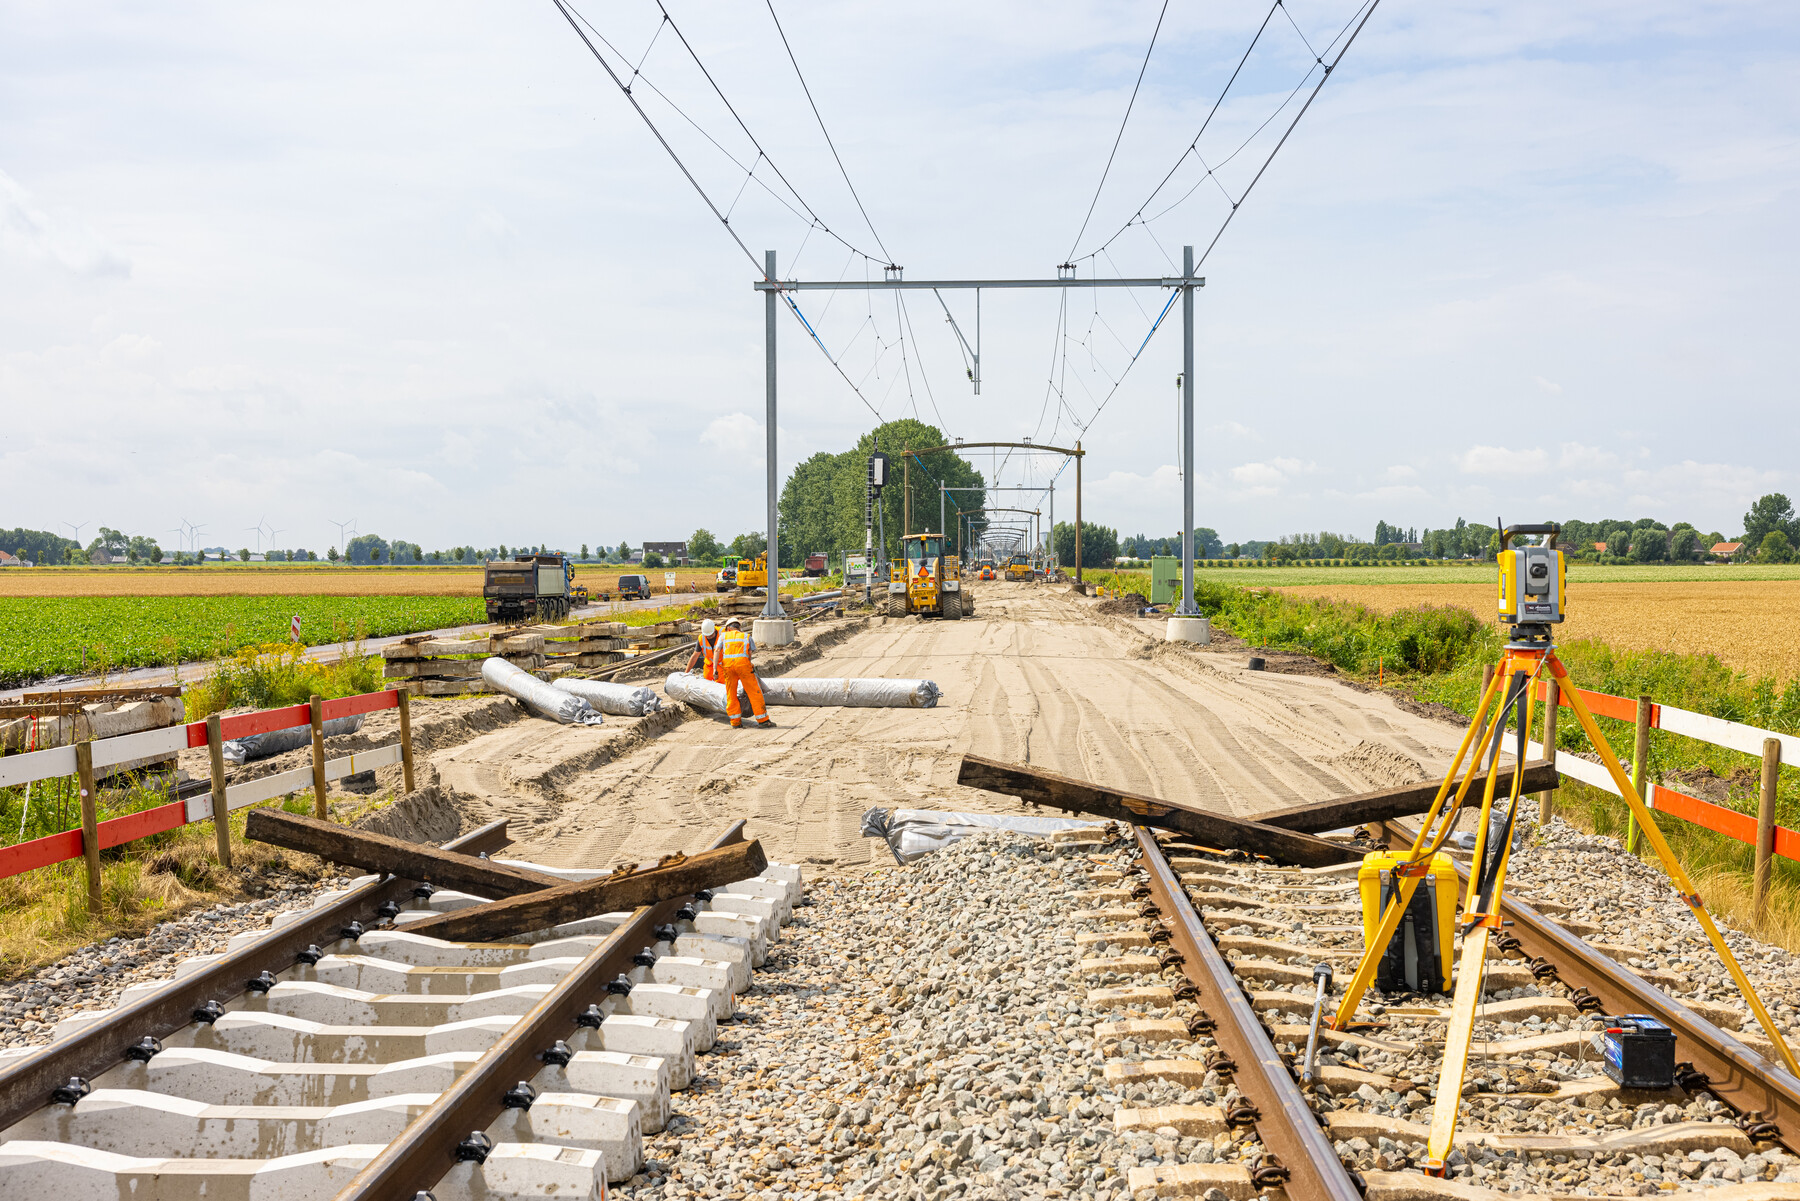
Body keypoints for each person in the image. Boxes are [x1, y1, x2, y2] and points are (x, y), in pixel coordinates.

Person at [710, 615, 773, 729]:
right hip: (743, 666)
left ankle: (735, 722)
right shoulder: (746, 636)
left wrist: (715, 669)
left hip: (728, 667)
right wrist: (748, 664)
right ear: (739, 628)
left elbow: (717, 651)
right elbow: (749, 653)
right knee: (754, 692)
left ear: (728, 628)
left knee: (731, 693)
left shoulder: (723, 636)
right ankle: (763, 720)